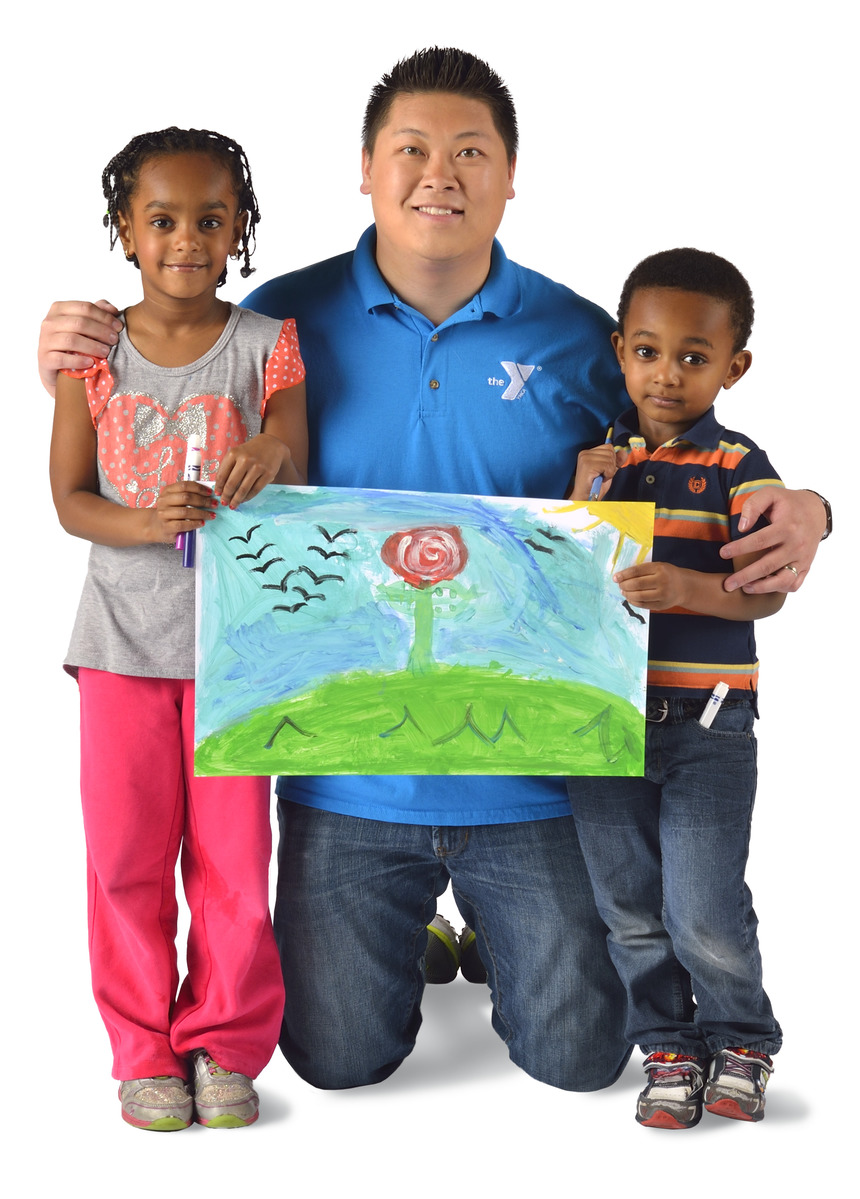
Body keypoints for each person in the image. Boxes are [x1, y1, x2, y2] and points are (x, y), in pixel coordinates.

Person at [38, 49, 830, 1094]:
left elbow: (690, 435)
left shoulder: (582, 337)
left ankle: (496, 937)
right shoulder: (276, 322)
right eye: (409, 149)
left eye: (469, 151)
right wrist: (72, 341)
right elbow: (161, 365)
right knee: (333, 1058)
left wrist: (813, 507)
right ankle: (412, 930)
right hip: (342, 776)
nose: (437, 174)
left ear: (510, 175)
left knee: (580, 1057)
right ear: (364, 168)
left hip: (534, 781)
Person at [49, 127, 308, 1130]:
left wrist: (269, 454)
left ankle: (221, 1043)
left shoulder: (266, 342)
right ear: (126, 229)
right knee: (125, 857)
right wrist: (143, 520)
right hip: (118, 644)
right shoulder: (92, 352)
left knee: (236, 863)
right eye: (162, 220)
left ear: (240, 229)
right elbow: (70, 498)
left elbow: (295, 444)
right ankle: (142, 1049)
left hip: (238, 645)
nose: (187, 239)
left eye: (210, 218)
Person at [568, 248, 785, 1129]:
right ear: (620, 350)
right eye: (648, 351)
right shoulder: (596, 457)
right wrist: (582, 495)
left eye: (694, 357)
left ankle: (742, 1033)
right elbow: (554, 571)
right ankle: (666, 1038)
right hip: (601, 717)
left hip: (709, 721)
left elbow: (768, 586)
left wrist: (686, 588)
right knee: (626, 903)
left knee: (702, 903)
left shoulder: (739, 464)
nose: (667, 374)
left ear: (733, 366)